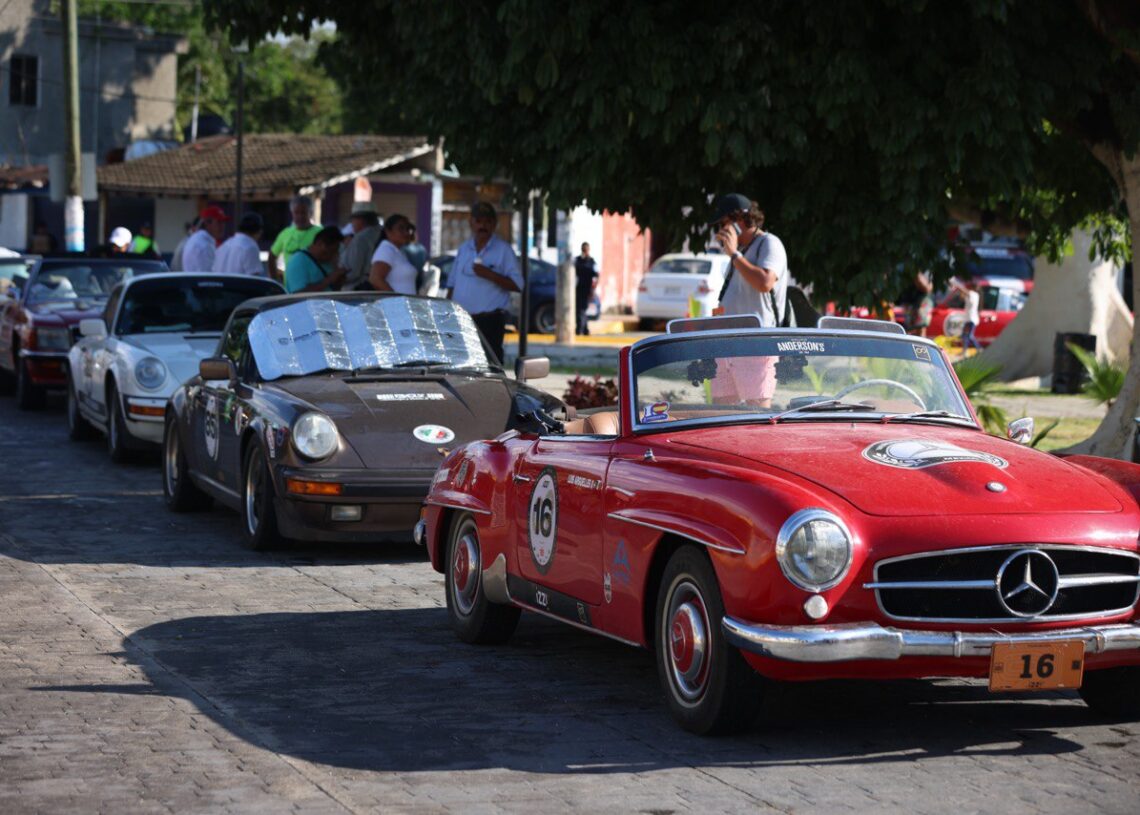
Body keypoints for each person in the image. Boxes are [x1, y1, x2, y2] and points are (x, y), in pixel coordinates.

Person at [710, 193, 788, 408]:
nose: (720, 231)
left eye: (723, 224)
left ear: (739, 220)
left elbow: (765, 282)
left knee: (757, 409)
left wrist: (735, 255)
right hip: (726, 344)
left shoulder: (769, 243)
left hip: (756, 343)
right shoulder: (741, 252)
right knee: (721, 410)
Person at [446, 201, 522, 364]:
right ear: (471, 223)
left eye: (488, 222)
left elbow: (518, 285)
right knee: (462, 365)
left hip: (490, 321)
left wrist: (490, 274)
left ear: (494, 224)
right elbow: (452, 284)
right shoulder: (464, 249)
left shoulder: (503, 250)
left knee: (490, 365)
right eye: (479, 221)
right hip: (462, 320)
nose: (483, 226)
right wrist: (447, 315)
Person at [269, 195, 322, 283]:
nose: (300, 216)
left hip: (314, 286)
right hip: (290, 288)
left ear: (311, 213)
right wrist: (274, 281)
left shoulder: (320, 233)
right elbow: (272, 256)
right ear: (292, 213)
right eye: (296, 213)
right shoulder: (285, 233)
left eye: (303, 213)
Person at [284, 225, 345, 293]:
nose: (334, 255)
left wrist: (339, 280)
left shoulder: (328, 262)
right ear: (320, 244)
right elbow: (299, 293)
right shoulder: (298, 260)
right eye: (332, 251)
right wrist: (329, 279)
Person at [368, 214, 419, 294]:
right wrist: (397, 299)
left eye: (408, 229)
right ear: (388, 231)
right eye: (401, 229)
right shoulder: (386, 249)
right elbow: (375, 279)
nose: (406, 233)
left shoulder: (397, 251)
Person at [338, 201, 383, 290]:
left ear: (361, 220)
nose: (352, 223)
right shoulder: (383, 233)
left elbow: (353, 271)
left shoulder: (360, 239)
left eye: (353, 220)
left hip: (357, 290)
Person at [213, 212, 266, 276]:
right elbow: (255, 277)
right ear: (259, 231)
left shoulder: (223, 246)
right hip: (239, 283)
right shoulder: (250, 247)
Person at [181, 206, 229, 272]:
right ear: (207, 223)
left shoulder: (199, 239)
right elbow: (208, 275)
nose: (222, 226)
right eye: (219, 222)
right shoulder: (203, 245)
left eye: (223, 222)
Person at [574, 242, 600, 335]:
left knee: (583, 309)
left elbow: (597, 276)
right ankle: (584, 329)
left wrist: (593, 289)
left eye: (586, 250)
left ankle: (580, 329)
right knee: (579, 309)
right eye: (583, 250)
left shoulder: (592, 262)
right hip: (578, 288)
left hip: (587, 289)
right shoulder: (577, 260)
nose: (585, 252)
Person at [955, 278, 982, 358]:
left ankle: (979, 349)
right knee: (965, 335)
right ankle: (964, 351)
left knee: (969, 336)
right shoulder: (974, 295)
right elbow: (962, 296)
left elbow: (964, 291)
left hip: (971, 318)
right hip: (969, 318)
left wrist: (956, 284)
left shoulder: (972, 294)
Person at [903, 270, 934, 337]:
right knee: (908, 329)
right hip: (910, 303)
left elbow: (928, 288)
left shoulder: (926, 271)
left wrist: (917, 276)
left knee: (920, 328)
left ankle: (920, 342)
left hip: (922, 303)